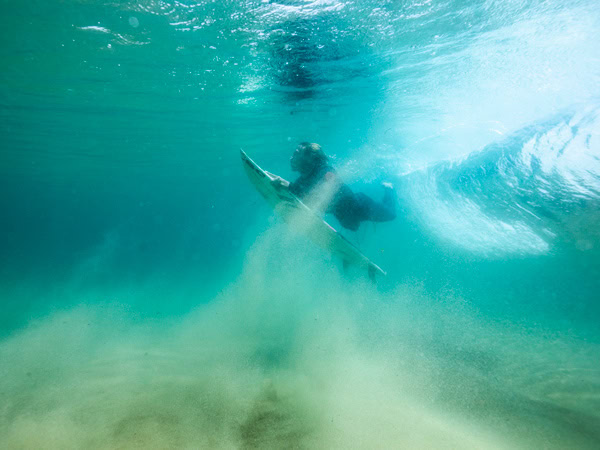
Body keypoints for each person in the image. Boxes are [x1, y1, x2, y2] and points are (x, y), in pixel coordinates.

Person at [272, 142, 396, 231]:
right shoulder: (303, 180)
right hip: (344, 216)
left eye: (296, 153)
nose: (291, 157)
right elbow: (299, 193)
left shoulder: (325, 171)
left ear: (309, 157)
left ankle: (389, 189)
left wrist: (287, 185)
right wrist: (284, 186)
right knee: (351, 226)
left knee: (391, 215)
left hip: (362, 207)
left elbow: (328, 187)